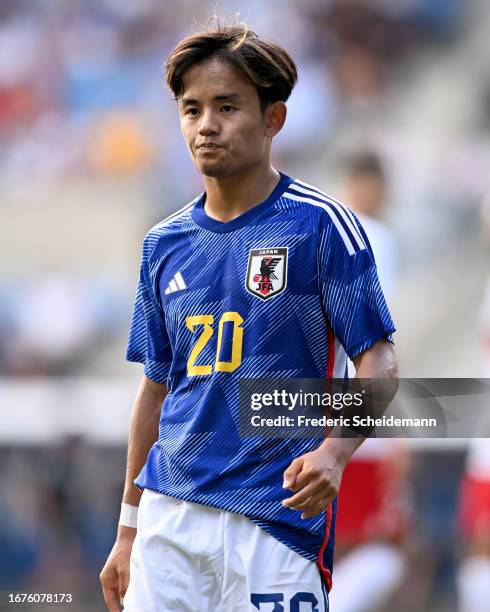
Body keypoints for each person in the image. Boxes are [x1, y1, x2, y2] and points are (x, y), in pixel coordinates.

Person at [99, 24, 398, 612]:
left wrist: (335, 453)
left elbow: (379, 359)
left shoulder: (320, 225)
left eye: (227, 106)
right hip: (170, 520)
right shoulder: (163, 244)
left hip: (274, 516)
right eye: (192, 109)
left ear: (274, 119)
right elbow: (155, 390)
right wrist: (128, 528)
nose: (206, 124)